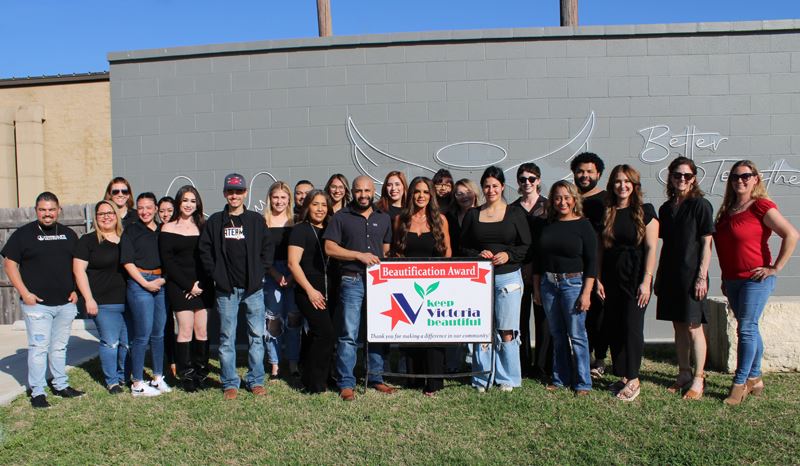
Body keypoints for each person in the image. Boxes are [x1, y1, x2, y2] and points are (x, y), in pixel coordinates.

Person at [713, 160, 798, 405]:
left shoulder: (761, 206)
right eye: (735, 177)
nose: (740, 180)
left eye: (746, 176)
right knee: (749, 327)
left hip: (755, 280)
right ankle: (756, 378)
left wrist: (775, 268)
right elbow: (728, 248)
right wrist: (724, 278)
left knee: (746, 328)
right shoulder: (727, 210)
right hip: (732, 281)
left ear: (756, 179)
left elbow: (791, 234)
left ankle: (740, 383)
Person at [2, 192, 83, 408]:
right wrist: (25, 293)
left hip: (65, 304)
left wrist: (76, 290)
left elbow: (78, 266)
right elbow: (9, 265)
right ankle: (38, 391)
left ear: (59, 210)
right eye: (42, 210)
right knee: (38, 348)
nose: (47, 214)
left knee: (58, 348)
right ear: (36, 210)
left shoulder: (68, 235)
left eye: (51, 209)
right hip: (37, 306)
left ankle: (60, 385)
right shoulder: (23, 234)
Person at [198, 173, 273, 400]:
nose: (234, 195)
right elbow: (205, 252)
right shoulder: (215, 222)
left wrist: (259, 273)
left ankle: (255, 380)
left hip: (253, 289)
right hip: (226, 290)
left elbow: (267, 249)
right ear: (224, 193)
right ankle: (230, 382)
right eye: (230, 192)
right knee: (226, 338)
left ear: (245, 193)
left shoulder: (255, 220)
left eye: (238, 191)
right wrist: (217, 277)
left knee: (256, 336)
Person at [460, 166, 531, 392]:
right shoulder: (473, 214)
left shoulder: (515, 213)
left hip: (508, 278)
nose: (491, 190)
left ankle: (507, 378)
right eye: (487, 186)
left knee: (506, 329)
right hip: (479, 278)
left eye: (495, 186)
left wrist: (509, 254)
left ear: (502, 187)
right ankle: (482, 377)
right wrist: (477, 255)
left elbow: (526, 245)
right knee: (481, 328)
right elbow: (463, 247)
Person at [324, 175, 394, 401]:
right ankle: (346, 382)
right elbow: (330, 248)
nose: (363, 195)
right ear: (351, 192)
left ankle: (376, 377)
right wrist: (357, 255)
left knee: (377, 331)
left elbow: (385, 250)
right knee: (348, 334)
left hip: (378, 282)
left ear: (373, 192)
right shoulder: (341, 217)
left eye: (367, 191)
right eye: (358, 191)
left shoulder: (383, 217)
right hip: (351, 279)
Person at [596, 165, 658, 402]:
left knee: (632, 328)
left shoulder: (645, 211)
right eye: (617, 182)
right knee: (615, 327)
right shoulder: (608, 211)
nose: (622, 186)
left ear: (634, 185)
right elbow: (601, 248)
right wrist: (599, 278)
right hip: (611, 277)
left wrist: (646, 280)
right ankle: (622, 374)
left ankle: (633, 378)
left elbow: (652, 248)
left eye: (626, 182)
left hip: (635, 278)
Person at [655, 157, 714, 400]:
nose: (681, 179)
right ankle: (683, 373)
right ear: (670, 177)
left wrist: (702, 277)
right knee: (678, 325)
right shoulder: (666, 208)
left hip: (692, 276)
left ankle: (699, 379)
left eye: (687, 176)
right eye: (677, 175)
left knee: (693, 327)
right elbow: (666, 246)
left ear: (694, 179)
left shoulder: (700, 205)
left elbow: (707, 244)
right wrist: (658, 276)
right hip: (670, 275)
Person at [534, 181, 597, 396]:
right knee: (557, 334)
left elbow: (592, 262)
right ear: (552, 200)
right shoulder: (546, 225)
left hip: (574, 284)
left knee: (577, 335)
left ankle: (583, 383)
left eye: (567, 197)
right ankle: (560, 378)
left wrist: (586, 292)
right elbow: (538, 260)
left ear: (574, 200)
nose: (562, 202)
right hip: (548, 284)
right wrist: (537, 287)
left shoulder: (583, 225)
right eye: (558, 198)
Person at [392, 177, 452, 395]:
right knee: (412, 331)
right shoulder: (400, 219)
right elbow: (396, 253)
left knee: (433, 334)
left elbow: (447, 253)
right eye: (417, 192)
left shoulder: (440, 220)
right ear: (411, 194)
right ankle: (414, 378)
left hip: (435, 285)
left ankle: (434, 382)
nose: (421, 196)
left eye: (426, 192)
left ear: (431, 195)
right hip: (408, 285)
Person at [159, 186, 214, 392]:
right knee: (185, 329)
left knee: (201, 330)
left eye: (192, 201)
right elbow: (169, 262)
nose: (189, 204)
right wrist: (188, 285)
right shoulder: (168, 228)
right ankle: (187, 375)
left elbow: (209, 259)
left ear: (197, 204)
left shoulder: (204, 226)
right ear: (178, 203)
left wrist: (200, 285)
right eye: (185, 200)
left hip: (203, 285)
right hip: (179, 286)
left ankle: (201, 372)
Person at [73, 200, 128, 394]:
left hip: (128, 300)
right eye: (101, 214)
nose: (106, 216)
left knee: (126, 343)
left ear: (116, 215)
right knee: (110, 341)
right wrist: (88, 299)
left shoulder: (126, 238)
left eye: (110, 213)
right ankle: (112, 380)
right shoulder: (88, 241)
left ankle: (123, 376)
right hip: (103, 302)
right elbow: (79, 271)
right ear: (96, 218)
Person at [120, 192, 172, 397]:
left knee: (158, 333)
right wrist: (144, 283)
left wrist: (163, 280)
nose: (144, 211)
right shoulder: (131, 231)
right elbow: (127, 262)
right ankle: (137, 383)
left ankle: (158, 377)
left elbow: (171, 259)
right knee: (142, 334)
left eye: (149, 207)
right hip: (139, 283)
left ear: (156, 208)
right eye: (141, 207)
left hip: (161, 282)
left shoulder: (163, 230)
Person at [287, 190, 334, 393]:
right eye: (315, 204)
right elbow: (292, 263)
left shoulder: (331, 229)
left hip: (330, 290)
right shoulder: (300, 230)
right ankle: (313, 382)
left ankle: (323, 376)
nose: (320, 209)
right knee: (325, 334)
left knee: (319, 336)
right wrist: (310, 291)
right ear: (307, 206)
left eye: (324, 205)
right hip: (309, 292)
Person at [510, 162, 550, 380]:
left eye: (531, 179)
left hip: (544, 269)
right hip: (519, 270)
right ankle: (523, 364)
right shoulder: (512, 208)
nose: (527, 183)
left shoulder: (548, 206)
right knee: (520, 320)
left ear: (539, 181)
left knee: (543, 321)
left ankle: (542, 366)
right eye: (523, 179)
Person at [570, 152, 608, 378]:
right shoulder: (569, 199)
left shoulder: (606, 200)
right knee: (578, 314)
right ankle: (583, 357)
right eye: (580, 171)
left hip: (599, 267)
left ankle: (600, 359)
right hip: (573, 266)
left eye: (589, 172)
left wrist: (599, 274)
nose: (584, 176)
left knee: (599, 315)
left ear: (598, 174)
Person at [263, 181, 301, 379]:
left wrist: (292, 275)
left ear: (289, 200)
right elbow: (260, 254)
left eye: (283, 197)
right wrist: (274, 274)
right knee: (273, 320)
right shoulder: (262, 222)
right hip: (271, 275)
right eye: (275, 197)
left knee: (294, 319)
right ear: (270, 198)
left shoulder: (295, 222)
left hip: (293, 272)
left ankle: (293, 363)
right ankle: (275, 365)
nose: (279, 201)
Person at [157, 195, 177, 377]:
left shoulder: (181, 230)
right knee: (166, 325)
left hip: (177, 282)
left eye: (169, 210)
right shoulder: (156, 231)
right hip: (161, 284)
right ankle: (170, 361)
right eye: (162, 211)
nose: (165, 214)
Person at [448, 178, 481, 258]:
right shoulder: (449, 218)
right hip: (456, 265)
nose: (464, 196)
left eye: (468, 192)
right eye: (459, 194)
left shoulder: (484, 215)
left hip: (480, 263)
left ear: (475, 194)